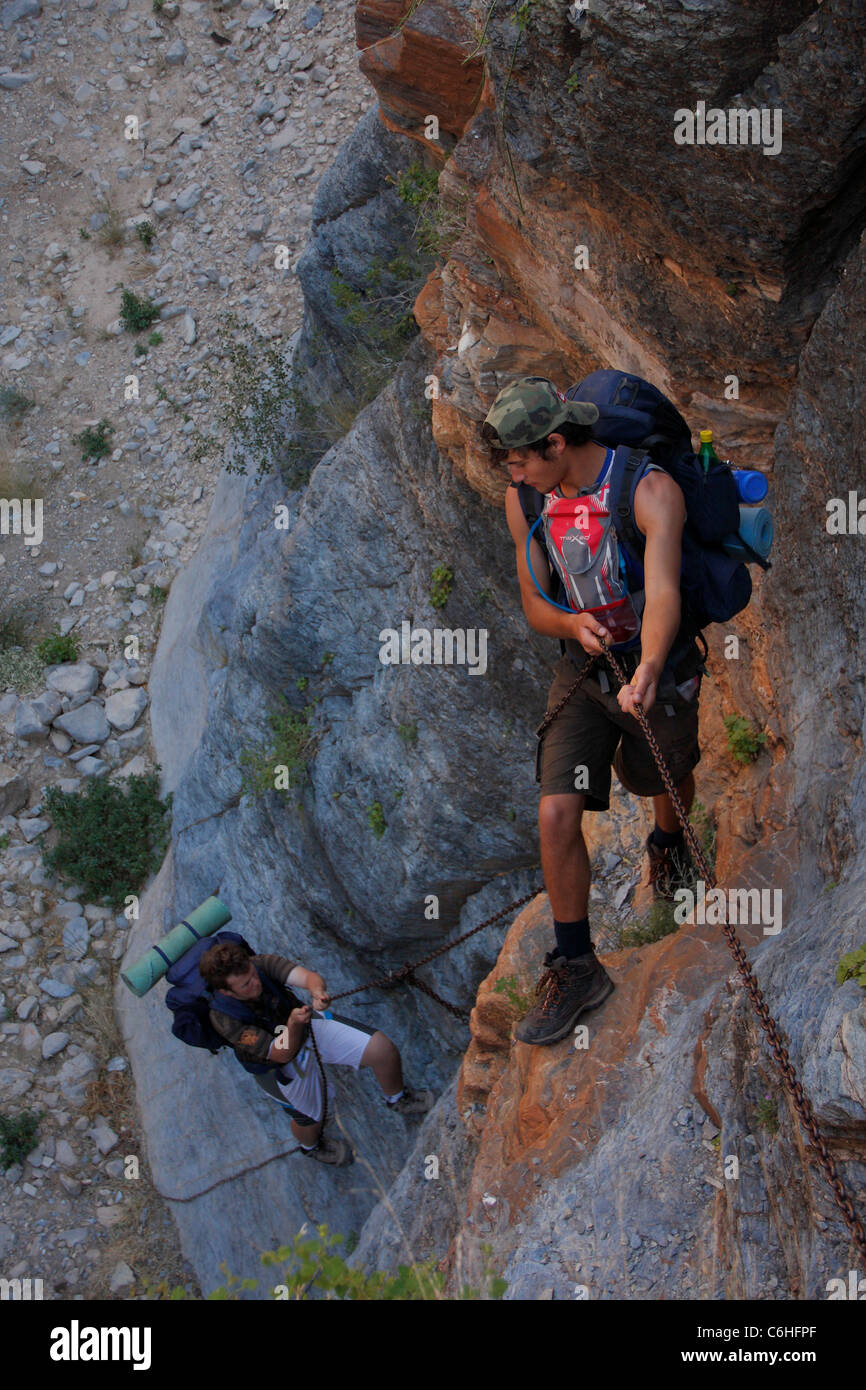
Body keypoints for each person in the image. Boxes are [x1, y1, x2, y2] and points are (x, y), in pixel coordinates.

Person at [481, 376, 704, 1046]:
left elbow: (662, 593)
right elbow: (534, 604)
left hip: (653, 664)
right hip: (582, 666)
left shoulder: (647, 488)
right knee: (557, 808)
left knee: (655, 777)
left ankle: (669, 845)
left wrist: (650, 667)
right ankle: (576, 962)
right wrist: (571, 625)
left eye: (523, 460)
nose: (516, 475)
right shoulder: (527, 498)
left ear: (556, 442)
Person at [199, 941, 433, 1166]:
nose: (255, 983)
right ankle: (311, 1147)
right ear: (226, 992)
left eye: (252, 974)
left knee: (382, 1050)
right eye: (245, 985)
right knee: (310, 1119)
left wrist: (318, 992)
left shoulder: (260, 964)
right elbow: (280, 1054)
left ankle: (397, 1098)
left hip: (306, 1027)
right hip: (278, 1066)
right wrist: (293, 1024)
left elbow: (308, 977)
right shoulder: (223, 1018)